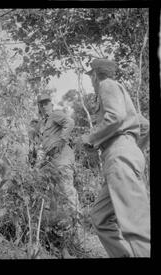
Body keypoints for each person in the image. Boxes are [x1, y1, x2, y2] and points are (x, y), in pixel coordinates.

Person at [81, 58, 150, 257]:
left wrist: (91, 138)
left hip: (119, 156)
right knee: (100, 217)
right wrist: (132, 150)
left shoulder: (107, 85)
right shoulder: (121, 94)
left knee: (135, 225)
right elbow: (144, 126)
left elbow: (115, 117)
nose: (92, 82)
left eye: (91, 77)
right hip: (122, 156)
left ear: (95, 75)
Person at [34, 93, 81, 258]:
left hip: (63, 161)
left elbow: (70, 122)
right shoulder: (43, 124)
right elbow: (43, 147)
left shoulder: (55, 114)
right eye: (41, 104)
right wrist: (37, 167)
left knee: (68, 197)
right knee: (54, 202)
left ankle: (75, 235)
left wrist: (61, 141)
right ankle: (59, 244)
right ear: (39, 107)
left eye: (46, 103)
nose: (44, 106)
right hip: (52, 164)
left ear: (51, 104)